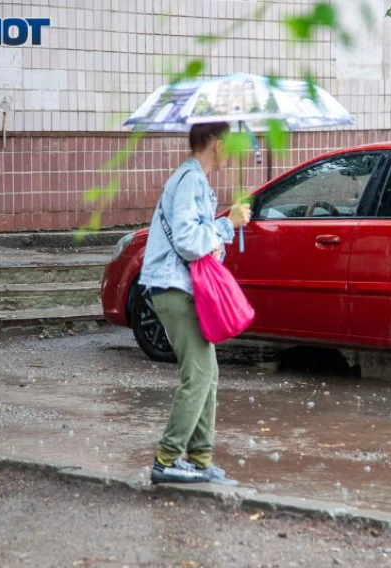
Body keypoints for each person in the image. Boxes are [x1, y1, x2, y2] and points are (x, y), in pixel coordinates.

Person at [140, 122, 251, 485]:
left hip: (182, 286)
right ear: (218, 144)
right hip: (174, 288)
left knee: (208, 372)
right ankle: (167, 458)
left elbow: (200, 245)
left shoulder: (198, 181)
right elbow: (189, 242)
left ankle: (201, 458)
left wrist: (224, 228)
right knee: (199, 373)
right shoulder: (189, 181)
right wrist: (226, 225)